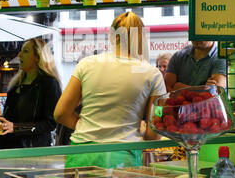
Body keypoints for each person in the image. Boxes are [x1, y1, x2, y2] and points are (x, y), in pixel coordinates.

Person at [54, 12, 166, 168]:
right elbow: (155, 132)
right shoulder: (152, 74)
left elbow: (60, 113)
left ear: (112, 36)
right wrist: (141, 132)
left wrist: (90, 128)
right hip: (123, 156)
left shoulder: (86, 64)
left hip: (82, 153)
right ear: (142, 38)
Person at [0, 38, 62, 149]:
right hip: (7, 148)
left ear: (37, 57)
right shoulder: (16, 84)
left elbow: (50, 123)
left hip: (32, 152)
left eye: (25, 51)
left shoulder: (49, 83)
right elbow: (10, 118)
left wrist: (16, 127)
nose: (19, 55)